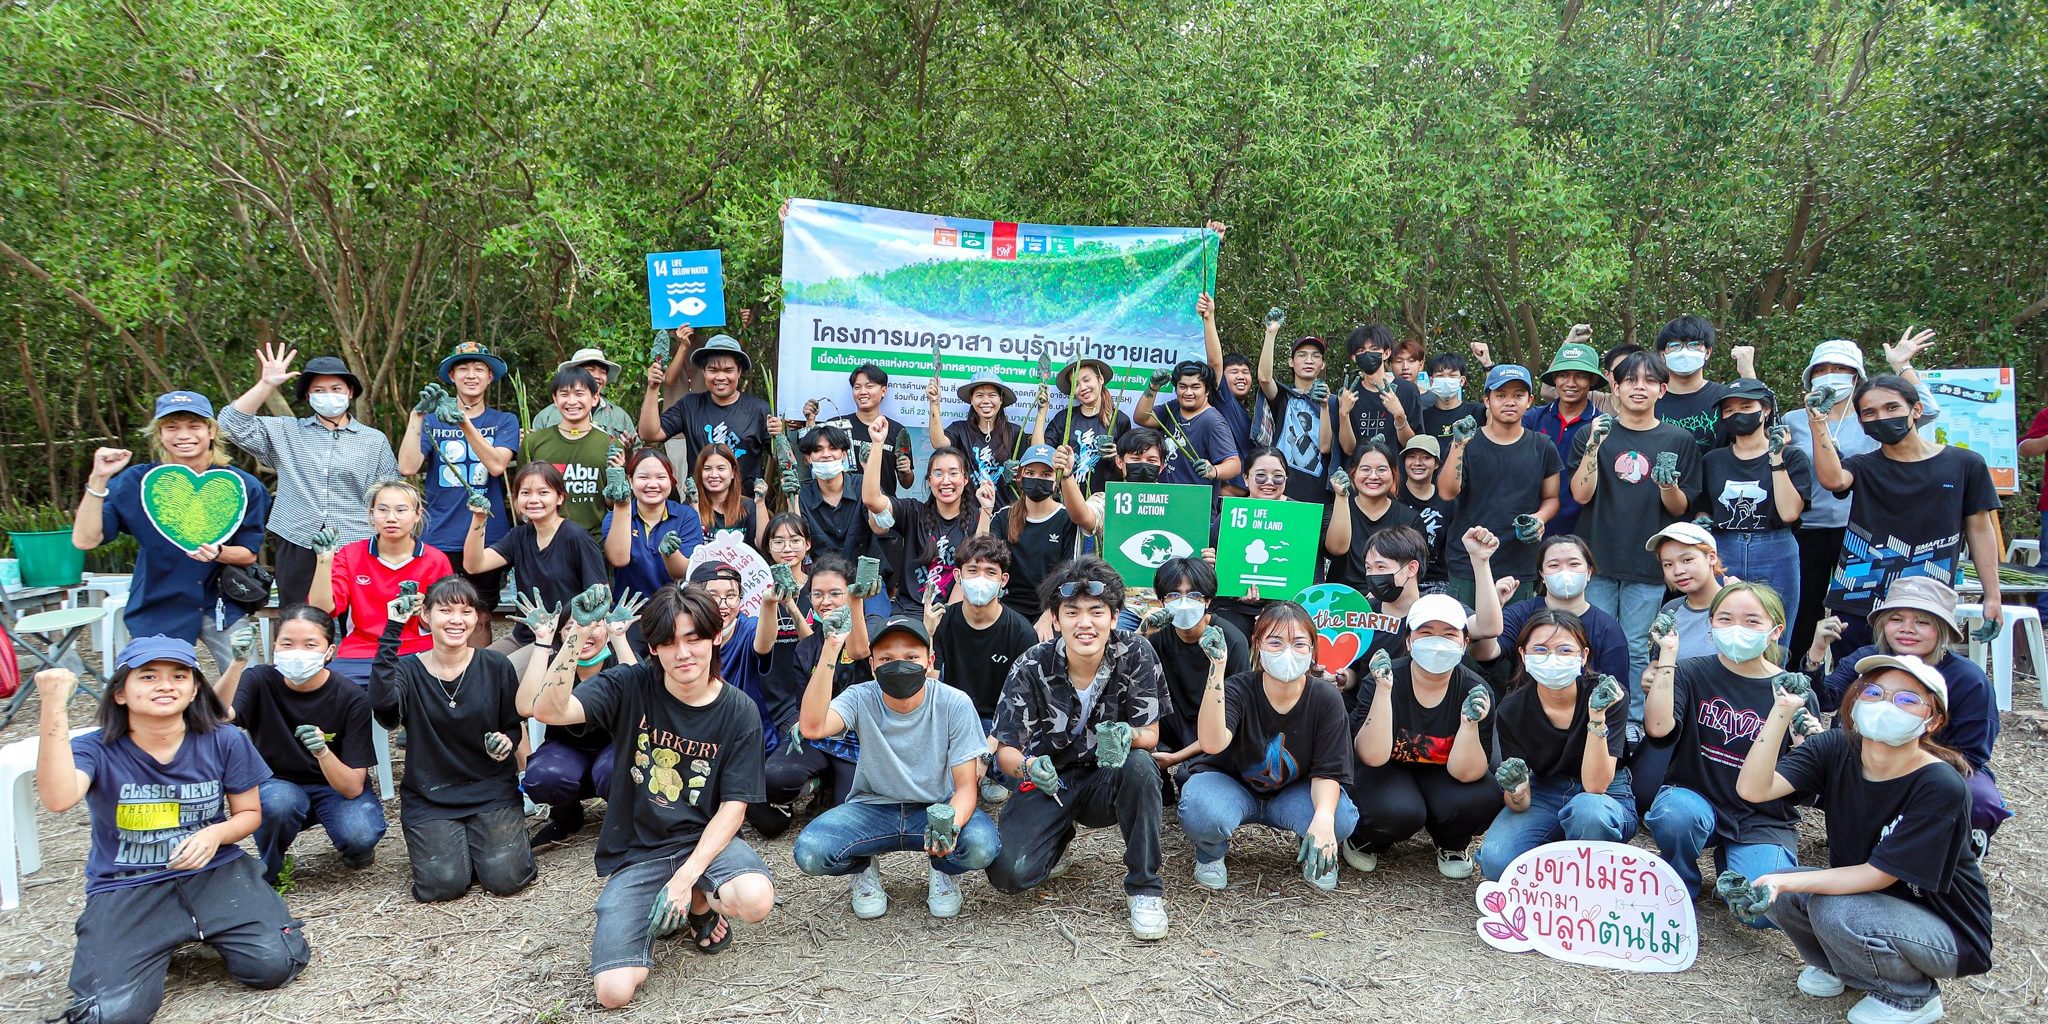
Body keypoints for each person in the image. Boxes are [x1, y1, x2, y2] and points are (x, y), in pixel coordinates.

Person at [35, 639, 309, 1024]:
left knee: (276, 964)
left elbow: (249, 814)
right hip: (128, 883)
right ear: (119, 692)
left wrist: (215, 835)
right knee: (111, 1013)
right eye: (148, 677)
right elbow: (58, 798)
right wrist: (53, 705)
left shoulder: (224, 740)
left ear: (195, 689)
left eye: (179, 677)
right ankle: (156, 942)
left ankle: (204, 929)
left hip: (214, 872)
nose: (165, 685)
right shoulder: (95, 748)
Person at [528, 585, 775, 1010]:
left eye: (693, 638)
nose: (683, 653)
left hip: (703, 843)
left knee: (754, 899)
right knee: (613, 993)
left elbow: (734, 808)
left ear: (715, 636)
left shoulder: (739, 711)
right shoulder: (630, 684)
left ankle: (699, 902)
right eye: (669, 642)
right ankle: (672, 902)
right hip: (638, 849)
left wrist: (683, 881)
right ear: (654, 648)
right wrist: (576, 634)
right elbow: (549, 711)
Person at [1739, 653, 1993, 1024]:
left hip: (1946, 931)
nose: (1885, 705)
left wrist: (1787, 881)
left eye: (1907, 699)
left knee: (1823, 904)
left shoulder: (1940, 785)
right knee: (1782, 892)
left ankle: (1912, 997)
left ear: (1932, 720)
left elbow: (1878, 875)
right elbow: (1754, 788)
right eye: (1873, 692)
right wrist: (1780, 712)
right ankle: (1836, 965)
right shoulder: (1836, 747)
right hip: (1870, 906)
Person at [987, 558, 1171, 940]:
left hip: (1107, 778)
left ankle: (1145, 888)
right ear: (1055, 619)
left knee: (1141, 765)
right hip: (1050, 782)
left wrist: (1128, 734)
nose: (1084, 623)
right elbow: (1006, 751)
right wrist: (1028, 767)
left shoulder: (1136, 653)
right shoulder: (1031, 665)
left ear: (1114, 617)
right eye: (1072, 612)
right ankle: (1058, 837)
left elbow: (1151, 734)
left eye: (1096, 612)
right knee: (1009, 874)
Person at [792, 615, 998, 919]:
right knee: (811, 852)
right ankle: (863, 867)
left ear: (929, 661)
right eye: (887, 659)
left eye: (911, 657)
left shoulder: (954, 703)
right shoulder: (860, 697)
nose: (899, 665)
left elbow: (966, 787)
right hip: (871, 809)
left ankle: (942, 867)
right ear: (873, 665)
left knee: (982, 846)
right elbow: (812, 727)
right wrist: (831, 648)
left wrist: (949, 827)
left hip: (936, 808)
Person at [1642, 581, 1818, 913]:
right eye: (1725, 619)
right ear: (1710, 625)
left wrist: (1804, 749)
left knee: (1763, 910)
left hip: (1762, 818)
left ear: (1776, 631)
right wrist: (1667, 656)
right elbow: (1658, 730)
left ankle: (1734, 859)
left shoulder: (1792, 691)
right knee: (1675, 813)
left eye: (1752, 620)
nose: (1737, 628)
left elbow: (1807, 788)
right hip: (1696, 798)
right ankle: (1679, 880)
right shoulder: (1692, 672)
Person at [74, 390, 271, 669]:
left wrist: (218, 552)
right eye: (172, 427)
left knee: (248, 679)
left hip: (221, 605)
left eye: (194, 426)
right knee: (159, 687)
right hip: (158, 605)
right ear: (160, 433)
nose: (183, 435)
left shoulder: (242, 486)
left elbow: (247, 554)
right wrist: (98, 478)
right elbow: (85, 540)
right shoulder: (136, 482)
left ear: (211, 431)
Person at [1810, 373, 2003, 655]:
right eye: (1870, 413)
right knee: (1854, 678)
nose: (1882, 417)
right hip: (1859, 596)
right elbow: (1833, 480)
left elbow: (1980, 529)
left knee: (1919, 680)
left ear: (1917, 409)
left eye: (1892, 407)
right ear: (1861, 423)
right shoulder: (1862, 466)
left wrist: (1993, 595)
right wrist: (1818, 422)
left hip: (1927, 601)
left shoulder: (1965, 464)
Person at [1804, 577, 2009, 843]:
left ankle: (1959, 845)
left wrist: (1904, 761)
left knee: (1978, 798)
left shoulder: (1969, 679)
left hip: (1936, 768)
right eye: (1896, 619)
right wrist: (1817, 652)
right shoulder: (1866, 658)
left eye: (1922, 622)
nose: (1907, 629)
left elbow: (1972, 755)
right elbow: (1824, 699)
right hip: (1860, 759)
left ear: (1943, 629)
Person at [371, 575, 534, 902]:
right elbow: (385, 709)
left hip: (490, 788)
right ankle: (460, 849)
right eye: (445, 611)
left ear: (476, 618)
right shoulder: (407, 670)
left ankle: (479, 848)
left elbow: (513, 726)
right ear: (426, 615)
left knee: (506, 878)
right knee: (443, 885)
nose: (456, 620)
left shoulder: (496, 666)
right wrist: (392, 630)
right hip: (431, 794)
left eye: (466, 611)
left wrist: (505, 742)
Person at [1178, 602, 1357, 891]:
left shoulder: (1326, 698)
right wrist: (1217, 670)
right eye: (1275, 642)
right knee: (1200, 808)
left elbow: (1328, 771)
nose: (1287, 651)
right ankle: (1210, 853)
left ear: (1313, 648)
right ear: (1257, 644)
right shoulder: (1238, 687)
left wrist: (1323, 819)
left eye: (1299, 643)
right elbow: (1212, 742)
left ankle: (1313, 846)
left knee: (1340, 817)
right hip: (1231, 785)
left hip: (1293, 792)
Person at [1785, 332, 1942, 655]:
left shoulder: (1870, 413)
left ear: (1856, 376)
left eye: (1840, 369)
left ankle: (1860, 672)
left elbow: (1925, 410)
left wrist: (1902, 365)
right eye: (1821, 369)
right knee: (1804, 609)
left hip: (1862, 529)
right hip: (1808, 527)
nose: (1830, 375)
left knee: (1855, 613)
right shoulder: (1795, 419)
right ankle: (1802, 674)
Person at [214, 605, 385, 884]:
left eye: (310, 645)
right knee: (278, 803)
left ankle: (354, 850)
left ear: (329, 651)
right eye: (287, 643)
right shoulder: (259, 679)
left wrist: (322, 751)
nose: (297, 652)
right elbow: (217, 716)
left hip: (335, 785)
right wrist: (236, 663)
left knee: (360, 833)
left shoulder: (352, 697)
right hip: (278, 783)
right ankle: (271, 866)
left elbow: (352, 787)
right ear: (274, 647)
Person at [220, 344, 398, 605]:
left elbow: (390, 495)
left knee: (359, 617)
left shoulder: (374, 440)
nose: (328, 395)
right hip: (298, 538)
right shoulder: (286, 431)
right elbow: (230, 424)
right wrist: (266, 384)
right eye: (319, 390)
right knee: (299, 616)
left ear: (350, 392)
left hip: (356, 541)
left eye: (336, 388)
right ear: (308, 396)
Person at [1569, 349, 1703, 692]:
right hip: (1596, 560)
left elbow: (1680, 508)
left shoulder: (1679, 440)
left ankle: (1631, 717)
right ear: (1615, 387)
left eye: (1649, 381)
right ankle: (1589, 709)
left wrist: (1668, 486)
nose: (1639, 387)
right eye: (1630, 380)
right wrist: (1593, 446)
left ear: (1662, 389)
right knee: (1591, 642)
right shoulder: (1591, 433)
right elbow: (1581, 495)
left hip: (1648, 563)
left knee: (1636, 647)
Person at [1347, 593, 1500, 879]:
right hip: (1385, 769)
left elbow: (1469, 772)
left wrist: (1468, 724)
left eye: (1449, 634)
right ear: (1408, 641)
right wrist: (1383, 691)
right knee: (1396, 810)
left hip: (1444, 773)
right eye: (1426, 633)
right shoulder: (1383, 678)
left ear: (1465, 643)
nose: (1437, 642)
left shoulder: (1474, 690)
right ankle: (1366, 838)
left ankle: (1452, 841)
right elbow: (1371, 756)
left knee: (1485, 796)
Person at [1476, 610, 1634, 880]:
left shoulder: (1607, 695)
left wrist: (1596, 716)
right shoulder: (1512, 709)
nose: (1552, 658)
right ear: (1523, 655)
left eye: (1564, 650)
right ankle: (1559, 847)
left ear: (1583, 656)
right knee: (1496, 860)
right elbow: (1519, 801)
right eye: (1540, 649)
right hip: (1545, 790)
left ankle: (1585, 868)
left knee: (1589, 813)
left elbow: (1596, 786)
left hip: (1605, 796)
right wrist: (1516, 792)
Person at [399, 340, 520, 643]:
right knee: (438, 614)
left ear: (490, 377)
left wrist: (464, 422)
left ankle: (478, 674)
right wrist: (416, 417)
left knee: (479, 616)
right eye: (463, 368)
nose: (471, 375)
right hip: (439, 534)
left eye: (479, 369)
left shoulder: (503, 421)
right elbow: (408, 466)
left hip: (487, 536)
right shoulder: (431, 421)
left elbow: (496, 465)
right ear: (451, 376)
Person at [749, 555, 874, 837]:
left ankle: (833, 787)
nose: (825, 601)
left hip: (858, 742)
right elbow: (803, 702)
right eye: (818, 594)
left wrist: (856, 604)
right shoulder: (806, 648)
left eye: (835, 594)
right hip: (818, 736)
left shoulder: (867, 632)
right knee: (773, 778)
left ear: (850, 594)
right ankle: (819, 782)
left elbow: (859, 652)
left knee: (846, 821)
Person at [517, 595, 638, 847]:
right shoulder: (555, 667)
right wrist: (542, 641)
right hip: (566, 749)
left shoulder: (619, 660)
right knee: (544, 776)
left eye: (594, 624)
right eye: (570, 626)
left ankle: (623, 820)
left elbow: (641, 697)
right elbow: (526, 707)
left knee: (614, 768)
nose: (583, 631)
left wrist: (618, 637)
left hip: (614, 746)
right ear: (561, 635)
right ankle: (567, 818)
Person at [465, 462, 609, 670]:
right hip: (523, 635)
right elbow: (474, 565)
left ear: (560, 497)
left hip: (561, 639)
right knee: (473, 668)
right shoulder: (519, 536)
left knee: (500, 673)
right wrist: (479, 518)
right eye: (525, 493)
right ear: (516, 499)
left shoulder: (577, 538)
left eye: (543, 492)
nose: (533, 499)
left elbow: (602, 595)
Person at [1437, 364, 1561, 605]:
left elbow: (1552, 498)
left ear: (1529, 401)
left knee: (1516, 629)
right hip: (1468, 561)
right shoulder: (1467, 442)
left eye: (1518, 395)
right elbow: (1447, 492)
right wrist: (1458, 445)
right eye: (1501, 395)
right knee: (1468, 627)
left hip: (1519, 563)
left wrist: (1540, 518)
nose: (1509, 402)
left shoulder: (1543, 446)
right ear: (1487, 400)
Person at [311, 479, 452, 685]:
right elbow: (321, 610)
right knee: (334, 690)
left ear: (417, 514)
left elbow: (446, 619)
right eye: (382, 510)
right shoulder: (350, 554)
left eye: (401, 510)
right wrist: (324, 560)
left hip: (419, 650)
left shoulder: (436, 560)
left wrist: (425, 610)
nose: (391, 518)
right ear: (371, 513)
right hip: (361, 651)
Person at [1702, 378, 1812, 629]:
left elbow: (1789, 513)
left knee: (1775, 627)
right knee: (1720, 626)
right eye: (1729, 410)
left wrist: (1776, 458)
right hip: (1724, 546)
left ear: (1765, 410)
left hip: (1775, 547)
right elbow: (1703, 508)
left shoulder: (1792, 456)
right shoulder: (1712, 460)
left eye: (1746, 407)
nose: (1737, 414)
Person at [863, 422, 993, 616]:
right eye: (938, 474)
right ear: (929, 480)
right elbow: (872, 500)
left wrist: (987, 510)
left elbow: (979, 563)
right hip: (909, 613)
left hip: (953, 614)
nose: (946, 481)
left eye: (953, 473)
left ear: (965, 479)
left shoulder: (978, 517)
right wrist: (877, 444)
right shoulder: (913, 511)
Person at [929, 535, 1041, 753]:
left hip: (1000, 724)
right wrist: (928, 634)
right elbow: (929, 687)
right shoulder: (941, 621)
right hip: (950, 719)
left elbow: (1023, 704)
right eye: (972, 570)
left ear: (1003, 580)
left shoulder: (1022, 633)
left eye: (990, 572)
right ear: (958, 576)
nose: (981, 579)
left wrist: (987, 753)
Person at [1144, 556, 1251, 773]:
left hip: (1214, 727)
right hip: (1172, 724)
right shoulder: (1156, 635)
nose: (1184, 603)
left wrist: (1175, 758)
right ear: (1162, 601)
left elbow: (1234, 717)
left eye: (1193, 595)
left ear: (1208, 600)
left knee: (1188, 775)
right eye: (1174, 595)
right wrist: (1141, 638)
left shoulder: (1230, 641)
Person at [642, 333, 775, 497]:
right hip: (699, 505)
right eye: (713, 370)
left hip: (745, 505)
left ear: (739, 372)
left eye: (728, 370)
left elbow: (781, 457)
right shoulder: (690, 406)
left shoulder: (759, 410)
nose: (721, 377)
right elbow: (649, 434)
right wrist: (653, 388)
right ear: (704, 371)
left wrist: (779, 435)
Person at [1498, 535, 1631, 685]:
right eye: (1554, 565)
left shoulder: (1608, 629)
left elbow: (1618, 691)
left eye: (1574, 564)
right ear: (1542, 574)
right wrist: (1495, 604)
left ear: (1589, 571)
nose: (1564, 572)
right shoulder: (1520, 614)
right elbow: (1486, 653)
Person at [1203, 447, 1301, 638]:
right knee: (1229, 636)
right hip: (1233, 606)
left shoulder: (1300, 517)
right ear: (1246, 478)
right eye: (1261, 475)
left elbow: (1303, 570)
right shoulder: (1230, 516)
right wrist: (1210, 564)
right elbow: (1214, 574)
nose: (1269, 482)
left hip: (1286, 608)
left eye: (1278, 476)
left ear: (1286, 479)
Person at [601, 447, 703, 620]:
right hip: (628, 614)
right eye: (643, 477)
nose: (652, 484)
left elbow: (685, 572)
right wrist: (622, 505)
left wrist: (669, 553)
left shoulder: (686, 516)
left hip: (675, 612)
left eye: (661, 477)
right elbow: (618, 559)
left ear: (671, 481)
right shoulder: (615, 516)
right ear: (630, 481)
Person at [1523, 333, 1604, 536]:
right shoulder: (1532, 419)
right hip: (1533, 525)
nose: (1570, 383)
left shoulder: (1602, 425)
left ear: (1592, 380)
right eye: (1563, 375)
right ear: (1554, 379)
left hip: (1583, 531)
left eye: (1580, 376)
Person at [522, 366, 617, 534]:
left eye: (579, 394)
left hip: (594, 539)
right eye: (564, 394)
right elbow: (522, 494)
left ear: (595, 398)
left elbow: (613, 504)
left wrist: (617, 481)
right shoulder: (533, 442)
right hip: (544, 538)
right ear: (555, 398)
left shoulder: (611, 445)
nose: (572, 401)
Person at [1252, 316, 1336, 505]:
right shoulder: (1283, 396)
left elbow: (1325, 447)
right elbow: (1264, 379)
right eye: (1302, 355)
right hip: (1281, 492)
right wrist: (1271, 333)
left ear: (1322, 364)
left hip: (1319, 495)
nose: (1309, 360)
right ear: (1291, 362)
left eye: (1315, 356)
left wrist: (1324, 405)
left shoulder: (1333, 402)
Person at [994, 445, 1080, 621]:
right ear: (1020, 476)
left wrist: (1049, 615)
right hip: (1007, 608)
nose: (1037, 479)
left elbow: (1068, 574)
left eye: (1046, 475)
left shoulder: (1066, 519)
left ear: (1056, 480)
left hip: (1051, 609)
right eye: (1030, 473)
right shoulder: (1003, 517)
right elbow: (988, 562)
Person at [794, 426, 880, 600]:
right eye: (818, 450)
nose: (826, 454)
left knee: (876, 616)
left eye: (833, 448)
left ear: (844, 454)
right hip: (822, 583)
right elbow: (797, 539)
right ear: (808, 458)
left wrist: (869, 471)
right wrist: (792, 498)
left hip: (866, 581)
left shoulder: (862, 485)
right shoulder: (802, 494)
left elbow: (879, 527)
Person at [1324, 442, 1423, 592]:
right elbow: (1336, 549)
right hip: (1340, 597)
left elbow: (1414, 571)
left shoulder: (1411, 519)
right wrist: (1341, 497)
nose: (1373, 476)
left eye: (1381, 470)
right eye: (1365, 469)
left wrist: (1381, 594)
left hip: (1391, 596)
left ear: (1393, 474)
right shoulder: (1335, 510)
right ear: (1353, 474)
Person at [1650, 314, 1755, 453]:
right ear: (1662, 354)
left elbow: (1757, 439)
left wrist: (1748, 374)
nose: (1684, 352)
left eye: (1694, 344)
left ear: (1707, 352)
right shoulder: (1649, 397)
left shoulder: (1726, 398)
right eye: (1675, 345)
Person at [1135, 359, 1243, 493]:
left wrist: (1214, 470)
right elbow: (1142, 418)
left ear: (1207, 391)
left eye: (1195, 387)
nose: (1188, 392)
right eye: (1183, 386)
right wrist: (1153, 388)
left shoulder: (1213, 422)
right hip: (1165, 496)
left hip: (1194, 501)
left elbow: (1234, 464)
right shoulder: (1173, 407)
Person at [1035, 356, 1133, 495]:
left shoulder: (1120, 420)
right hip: (1067, 499)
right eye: (1075, 384)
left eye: (1086, 380)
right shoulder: (1063, 418)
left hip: (1105, 500)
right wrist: (1041, 412)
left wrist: (1117, 456)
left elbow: (1129, 468)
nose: (1083, 388)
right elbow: (1039, 454)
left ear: (1100, 379)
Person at [816, 363, 916, 496]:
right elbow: (814, 462)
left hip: (882, 504)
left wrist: (907, 472)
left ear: (883, 391)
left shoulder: (897, 431)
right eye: (857, 387)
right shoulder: (837, 426)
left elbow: (907, 483)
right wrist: (810, 420)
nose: (862, 392)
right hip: (843, 504)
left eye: (869, 386)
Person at [1330, 323, 1423, 459]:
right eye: (1361, 350)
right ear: (1354, 357)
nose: (1368, 354)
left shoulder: (1407, 390)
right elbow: (1349, 450)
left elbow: (1413, 446)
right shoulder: (1349, 394)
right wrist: (1343, 413)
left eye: (1374, 349)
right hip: (1361, 470)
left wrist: (1399, 415)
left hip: (1395, 470)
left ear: (1386, 353)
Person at [929, 368, 1022, 498]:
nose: (986, 401)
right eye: (979, 395)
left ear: (1001, 399)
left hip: (1005, 509)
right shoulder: (959, 429)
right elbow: (939, 443)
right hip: (967, 508)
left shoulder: (1015, 432)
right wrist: (934, 403)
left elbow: (1027, 472)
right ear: (971, 400)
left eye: (992, 395)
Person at [1652, 522, 1729, 659]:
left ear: (1711, 557)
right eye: (1668, 564)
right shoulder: (1671, 610)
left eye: (1687, 560)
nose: (1678, 571)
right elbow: (1657, 661)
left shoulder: (1738, 606)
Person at [532, 346, 637, 436]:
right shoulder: (546, 417)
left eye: (603, 372)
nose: (597, 376)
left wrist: (628, 450)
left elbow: (636, 451)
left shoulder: (619, 416)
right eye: (590, 370)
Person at [1395, 435, 1454, 585]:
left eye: (1426, 457)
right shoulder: (1393, 496)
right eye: (1411, 457)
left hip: (1436, 580)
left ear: (1436, 463)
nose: (1417, 463)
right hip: (1398, 577)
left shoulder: (1447, 499)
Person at [690, 443, 765, 552]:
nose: (714, 475)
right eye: (707, 469)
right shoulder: (690, 506)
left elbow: (763, 545)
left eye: (721, 468)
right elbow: (691, 549)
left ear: (733, 472)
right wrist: (695, 508)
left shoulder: (749, 506)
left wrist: (761, 503)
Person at [1417, 352, 1484, 443]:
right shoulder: (1423, 418)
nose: (1446, 380)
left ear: (1462, 381)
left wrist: (1487, 365)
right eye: (1440, 376)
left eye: (1452, 376)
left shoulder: (1476, 411)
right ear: (1431, 381)